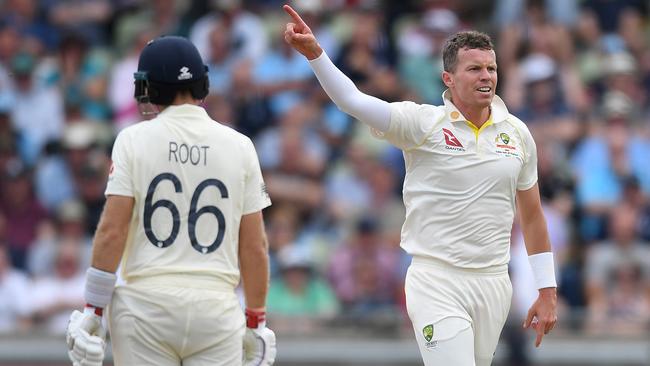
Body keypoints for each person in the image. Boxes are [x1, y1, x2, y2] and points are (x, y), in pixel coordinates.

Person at [283, 5, 557, 366]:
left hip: (493, 282)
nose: (486, 76)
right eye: (474, 69)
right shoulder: (422, 123)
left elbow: (533, 216)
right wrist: (316, 55)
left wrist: (547, 289)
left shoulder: (518, 134)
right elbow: (352, 100)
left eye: (491, 68)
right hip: (436, 279)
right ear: (448, 78)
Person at [65, 35, 276, 366]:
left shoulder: (132, 140)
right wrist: (257, 321)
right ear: (202, 83)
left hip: (145, 307)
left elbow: (112, 231)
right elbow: (255, 247)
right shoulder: (241, 146)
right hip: (215, 308)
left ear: (150, 87)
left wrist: (93, 309)